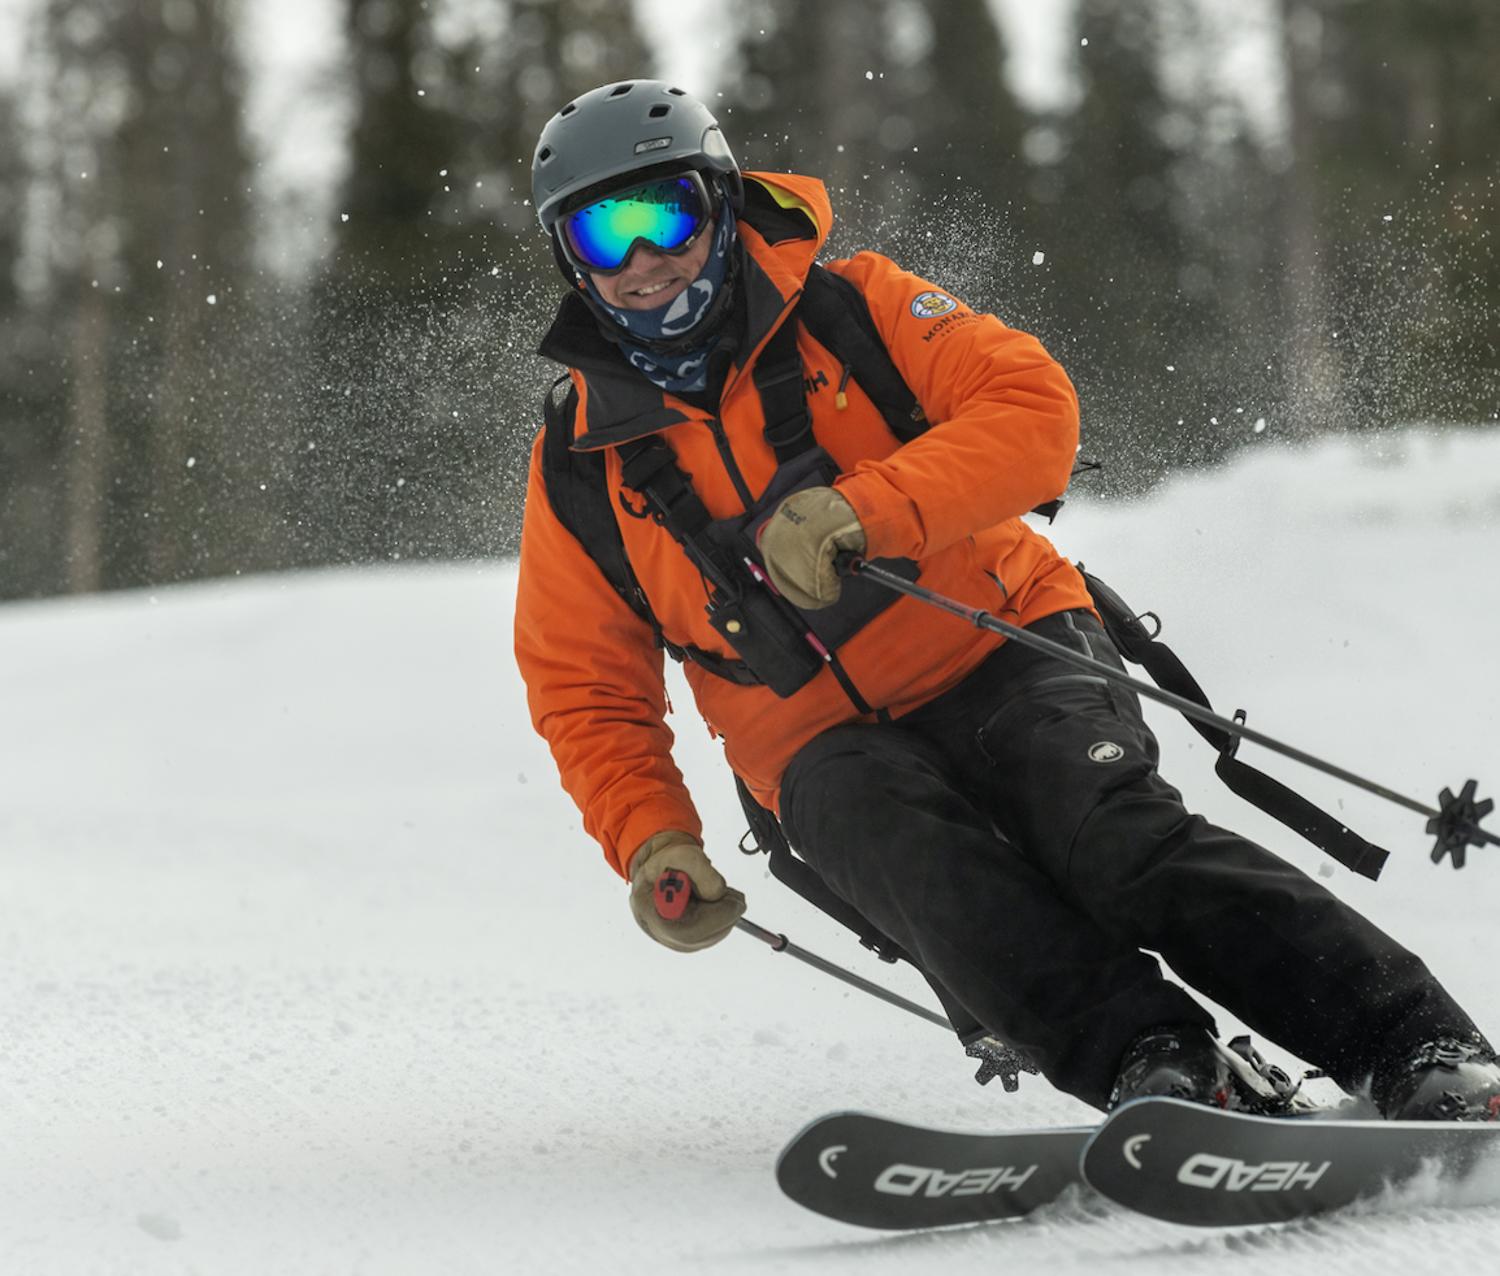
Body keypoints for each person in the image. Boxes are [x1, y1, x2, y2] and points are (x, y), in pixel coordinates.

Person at [513, 79, 1500, 1121]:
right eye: (603, 233)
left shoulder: (854, 307)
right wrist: (653, 838)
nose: (643, 263)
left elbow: (1034, 410)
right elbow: (585, 686)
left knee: (1110, 839)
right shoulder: (579, 462)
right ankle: (1159, 1064)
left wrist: (870, 510)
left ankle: (1415, 1042)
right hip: (812, 742)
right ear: (570, 259)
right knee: (926, 870)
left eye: (663, 215)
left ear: (718, 204)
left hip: (1006, 643)